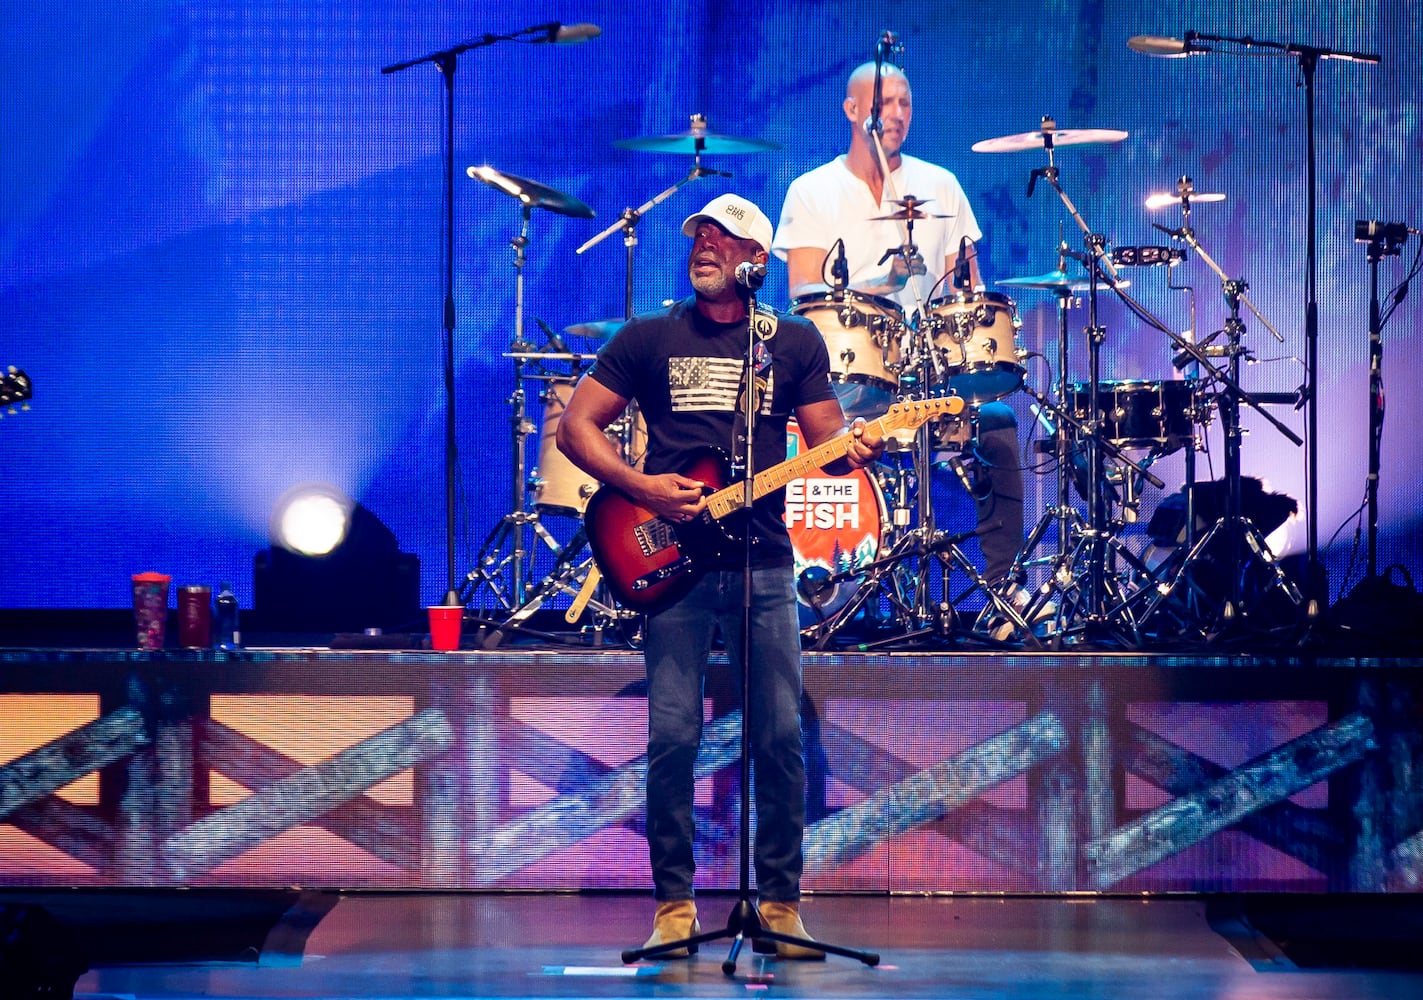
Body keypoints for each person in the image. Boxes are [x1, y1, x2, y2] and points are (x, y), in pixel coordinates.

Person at [556, 193, 882, 958]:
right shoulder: (647, 337)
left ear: (755, 261)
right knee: (673, 735)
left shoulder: (792, 342)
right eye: (698, 235)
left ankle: (778, 904)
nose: (704, 245)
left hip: (763, 561)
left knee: (778, 736)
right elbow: (576, 427)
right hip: (670, 559)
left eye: (722, 237)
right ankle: (673, 905)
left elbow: (827, 439)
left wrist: (859, 446)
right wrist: (641, 488)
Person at [773, 61, 1028, 594]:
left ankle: (1006, 588)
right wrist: (879, 281)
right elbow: (802, 291)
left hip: (925, 378)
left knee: (999, 421)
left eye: (905, 103)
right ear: (851, 110)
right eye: (883, 103)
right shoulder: (812, 190)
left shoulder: (941, 185)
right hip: (840, 386)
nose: (896, 114)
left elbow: (967, 287)